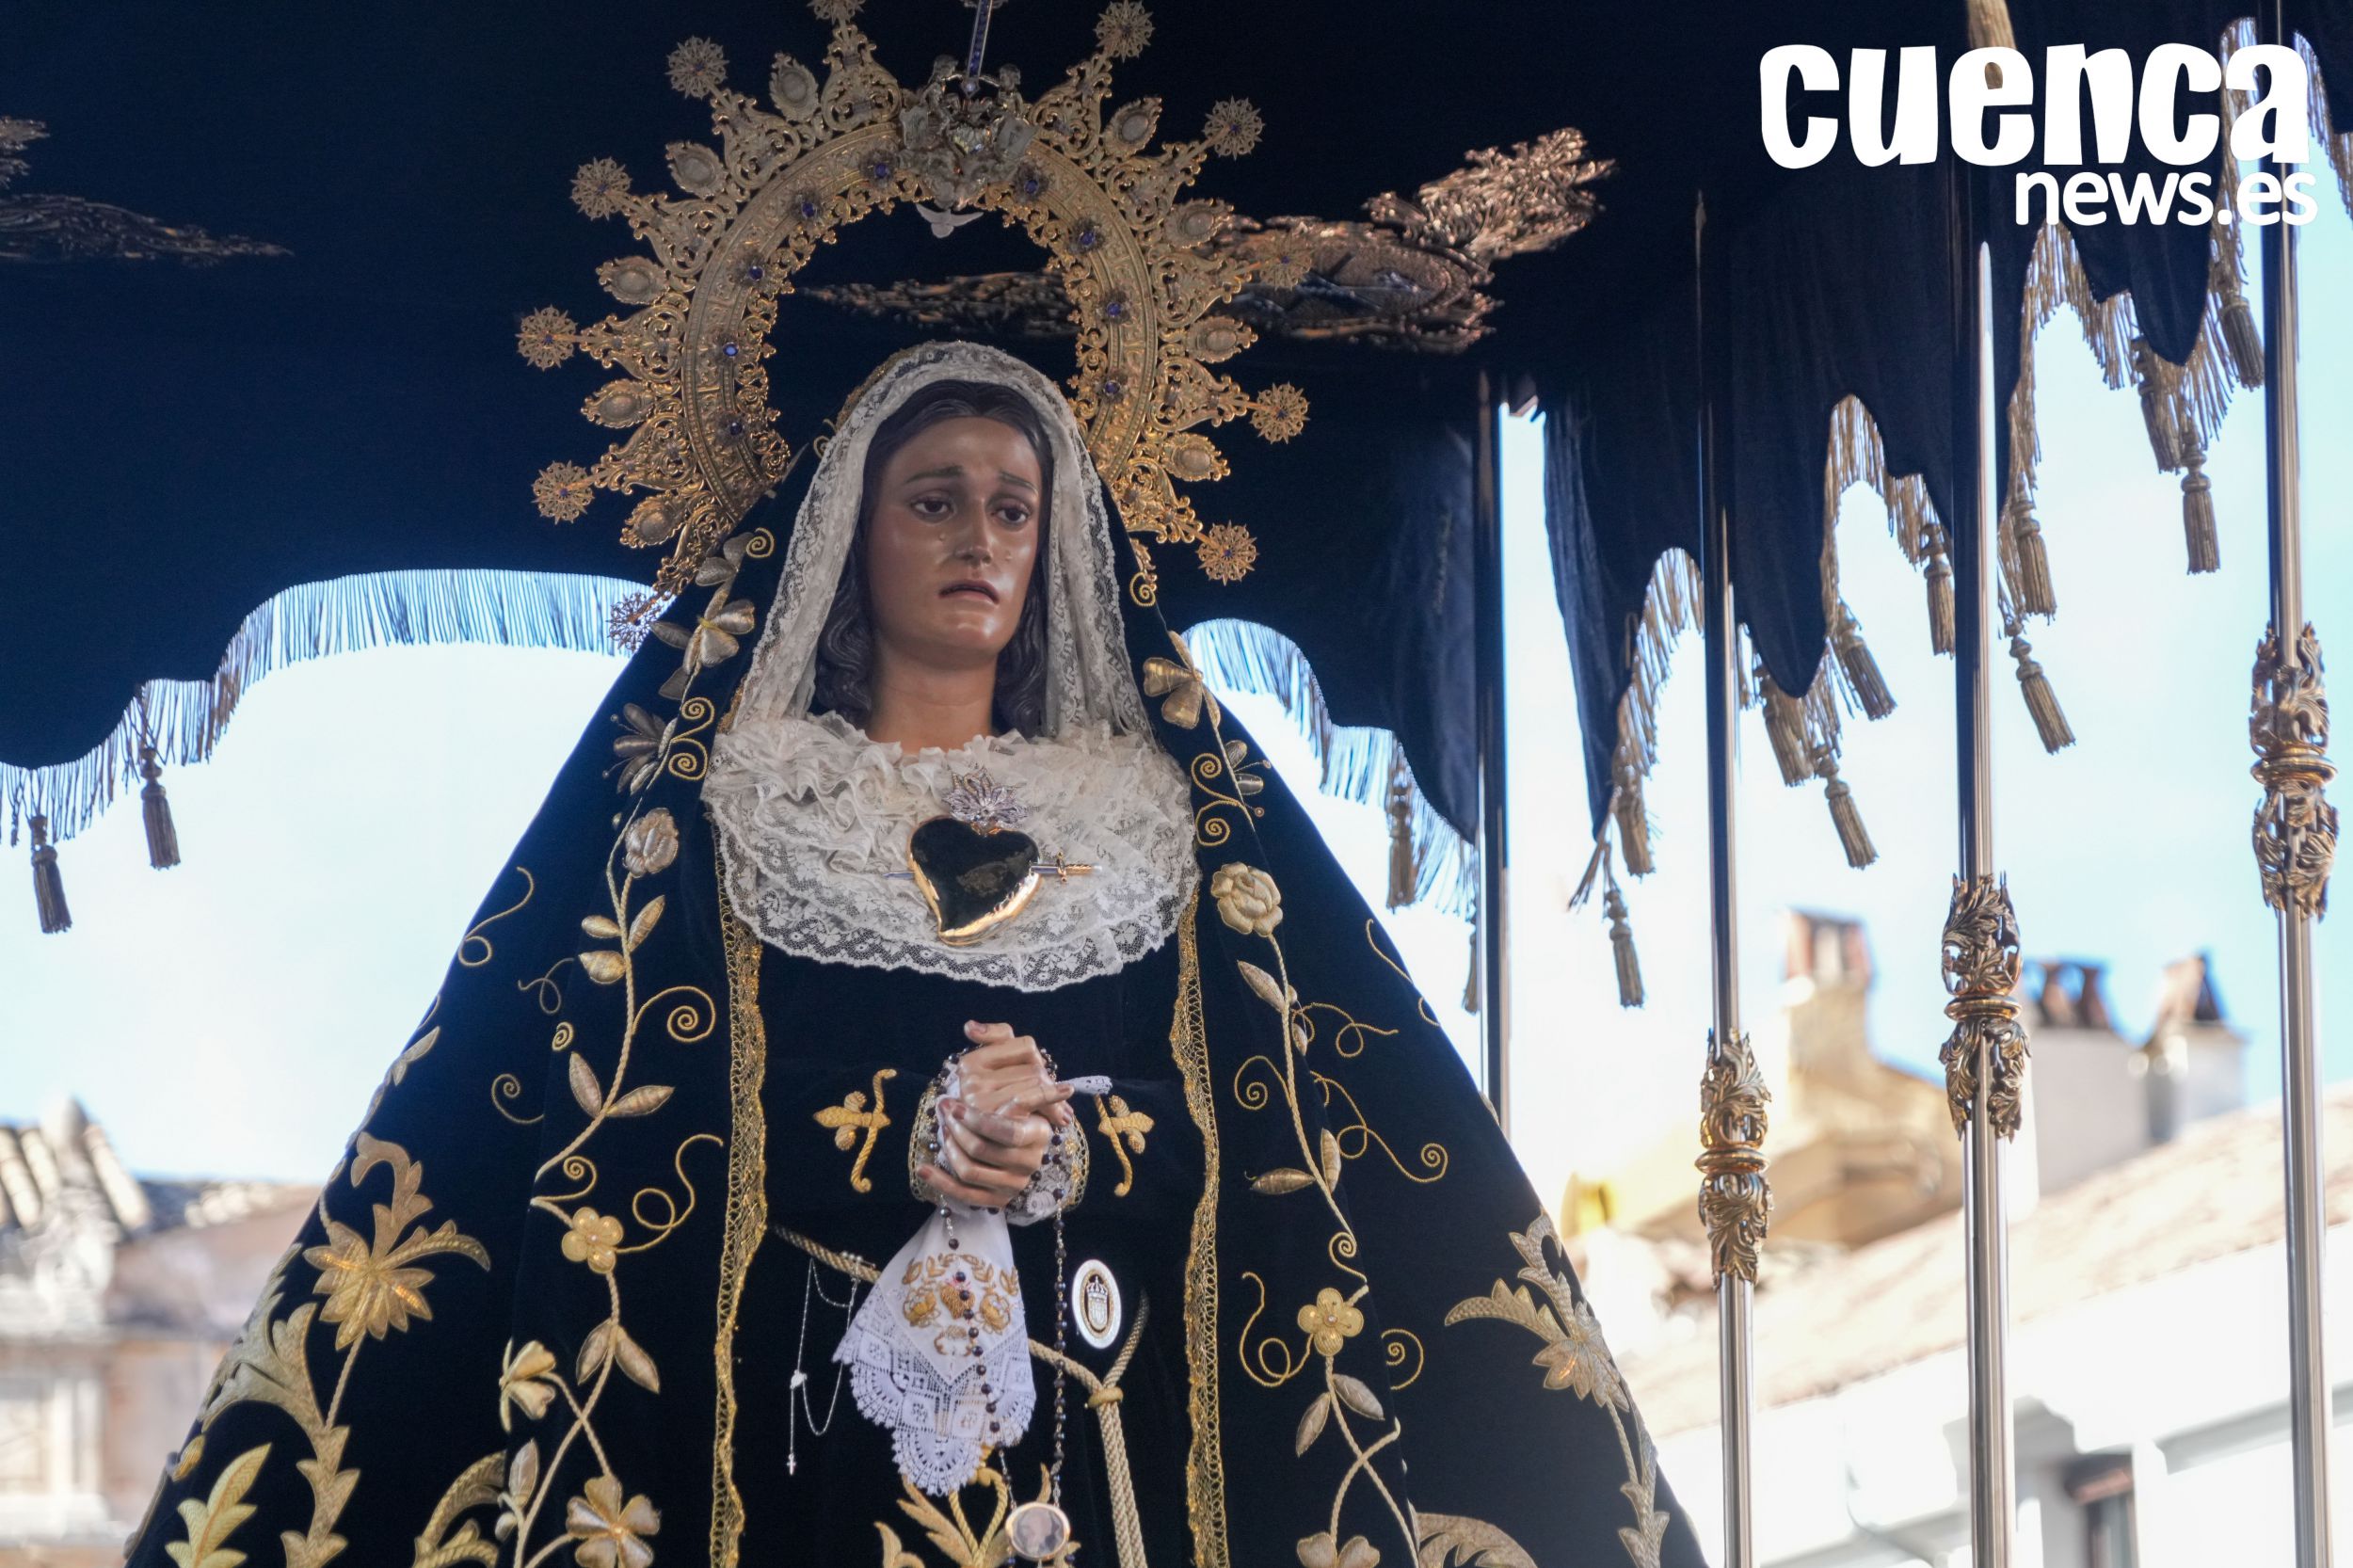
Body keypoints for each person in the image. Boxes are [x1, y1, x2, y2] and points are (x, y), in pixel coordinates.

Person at [122, 342, 1705, 1568]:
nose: (979, 539)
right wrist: (912, 1130)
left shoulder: (1156, 823)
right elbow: (623, 1122)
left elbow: (1278, 1129)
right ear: (850, 534)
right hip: (816, 1449)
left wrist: (1068, 1138)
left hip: (1111, 1441)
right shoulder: (732, 813)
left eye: (1014, 507)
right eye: (934, 499)